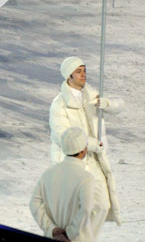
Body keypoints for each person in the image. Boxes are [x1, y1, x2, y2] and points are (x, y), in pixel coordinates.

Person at [49, 57, 123, 227]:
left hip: (94, 160)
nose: (83, 75)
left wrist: (107, 104)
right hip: (73, 165)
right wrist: (90, 144)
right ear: (69, 76)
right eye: (78, 71)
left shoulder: (91, 96)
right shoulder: (59, 105)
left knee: (103, 205)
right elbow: (63, 137)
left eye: (84, 70)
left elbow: (120, 105)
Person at [30, 127, 108, 242]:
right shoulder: (86, 178)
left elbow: (34, 203)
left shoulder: (48, 173)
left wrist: (51, 229)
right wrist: (69, 234)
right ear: (83, 150)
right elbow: (86, 209)